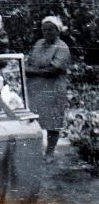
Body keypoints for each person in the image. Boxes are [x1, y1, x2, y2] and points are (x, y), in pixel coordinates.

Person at [25, 16, 71, 163]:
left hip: (53, 89)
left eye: (50, 29)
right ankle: (33, 149)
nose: (47, 32)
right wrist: (29, 69)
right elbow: (29, 62)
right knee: (33, 119)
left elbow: (53, 70)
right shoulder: (38, 43)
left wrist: (33, 71)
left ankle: (49, 152)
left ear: (58, 31)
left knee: (53, 122)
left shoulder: (62, 47)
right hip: (35, 88)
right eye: (44, 30)